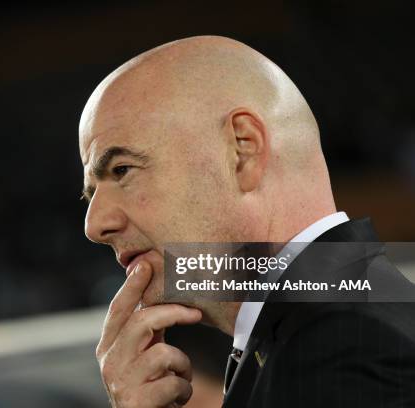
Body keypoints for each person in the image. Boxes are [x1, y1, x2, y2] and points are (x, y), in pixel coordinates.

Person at [78, 36, 415, 407]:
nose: (94, 226)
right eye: (92, 194)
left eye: (122, 169)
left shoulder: (343, 344)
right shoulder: (324, 327)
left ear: (243, 149)